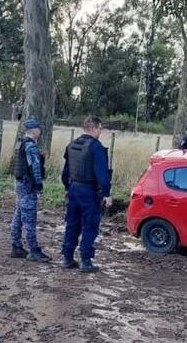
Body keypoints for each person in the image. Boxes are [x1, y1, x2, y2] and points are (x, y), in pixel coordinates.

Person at [61, 116, 113, 272]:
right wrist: (106, 193)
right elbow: (102, 173)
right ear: (95, 128)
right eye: (100, 128)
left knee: (72, 224)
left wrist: (68, 187)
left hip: (73, 189)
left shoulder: (72, 145)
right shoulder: (96, 147)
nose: (101, 131)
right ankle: (85, 260)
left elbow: (65, 172)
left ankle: (68, 258)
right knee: (90, 225)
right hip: (89, 191)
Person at [10, 119, 51, 262]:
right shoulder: (31, 146)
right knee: (30, 218)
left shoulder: (21, 143)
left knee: (18, 215)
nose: (40, 131)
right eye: (39, 128)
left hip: (20, 183)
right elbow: (35, 167)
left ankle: (16, 246)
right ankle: (34, 250)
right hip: (28, 185)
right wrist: (39, 185)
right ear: (34, 130)